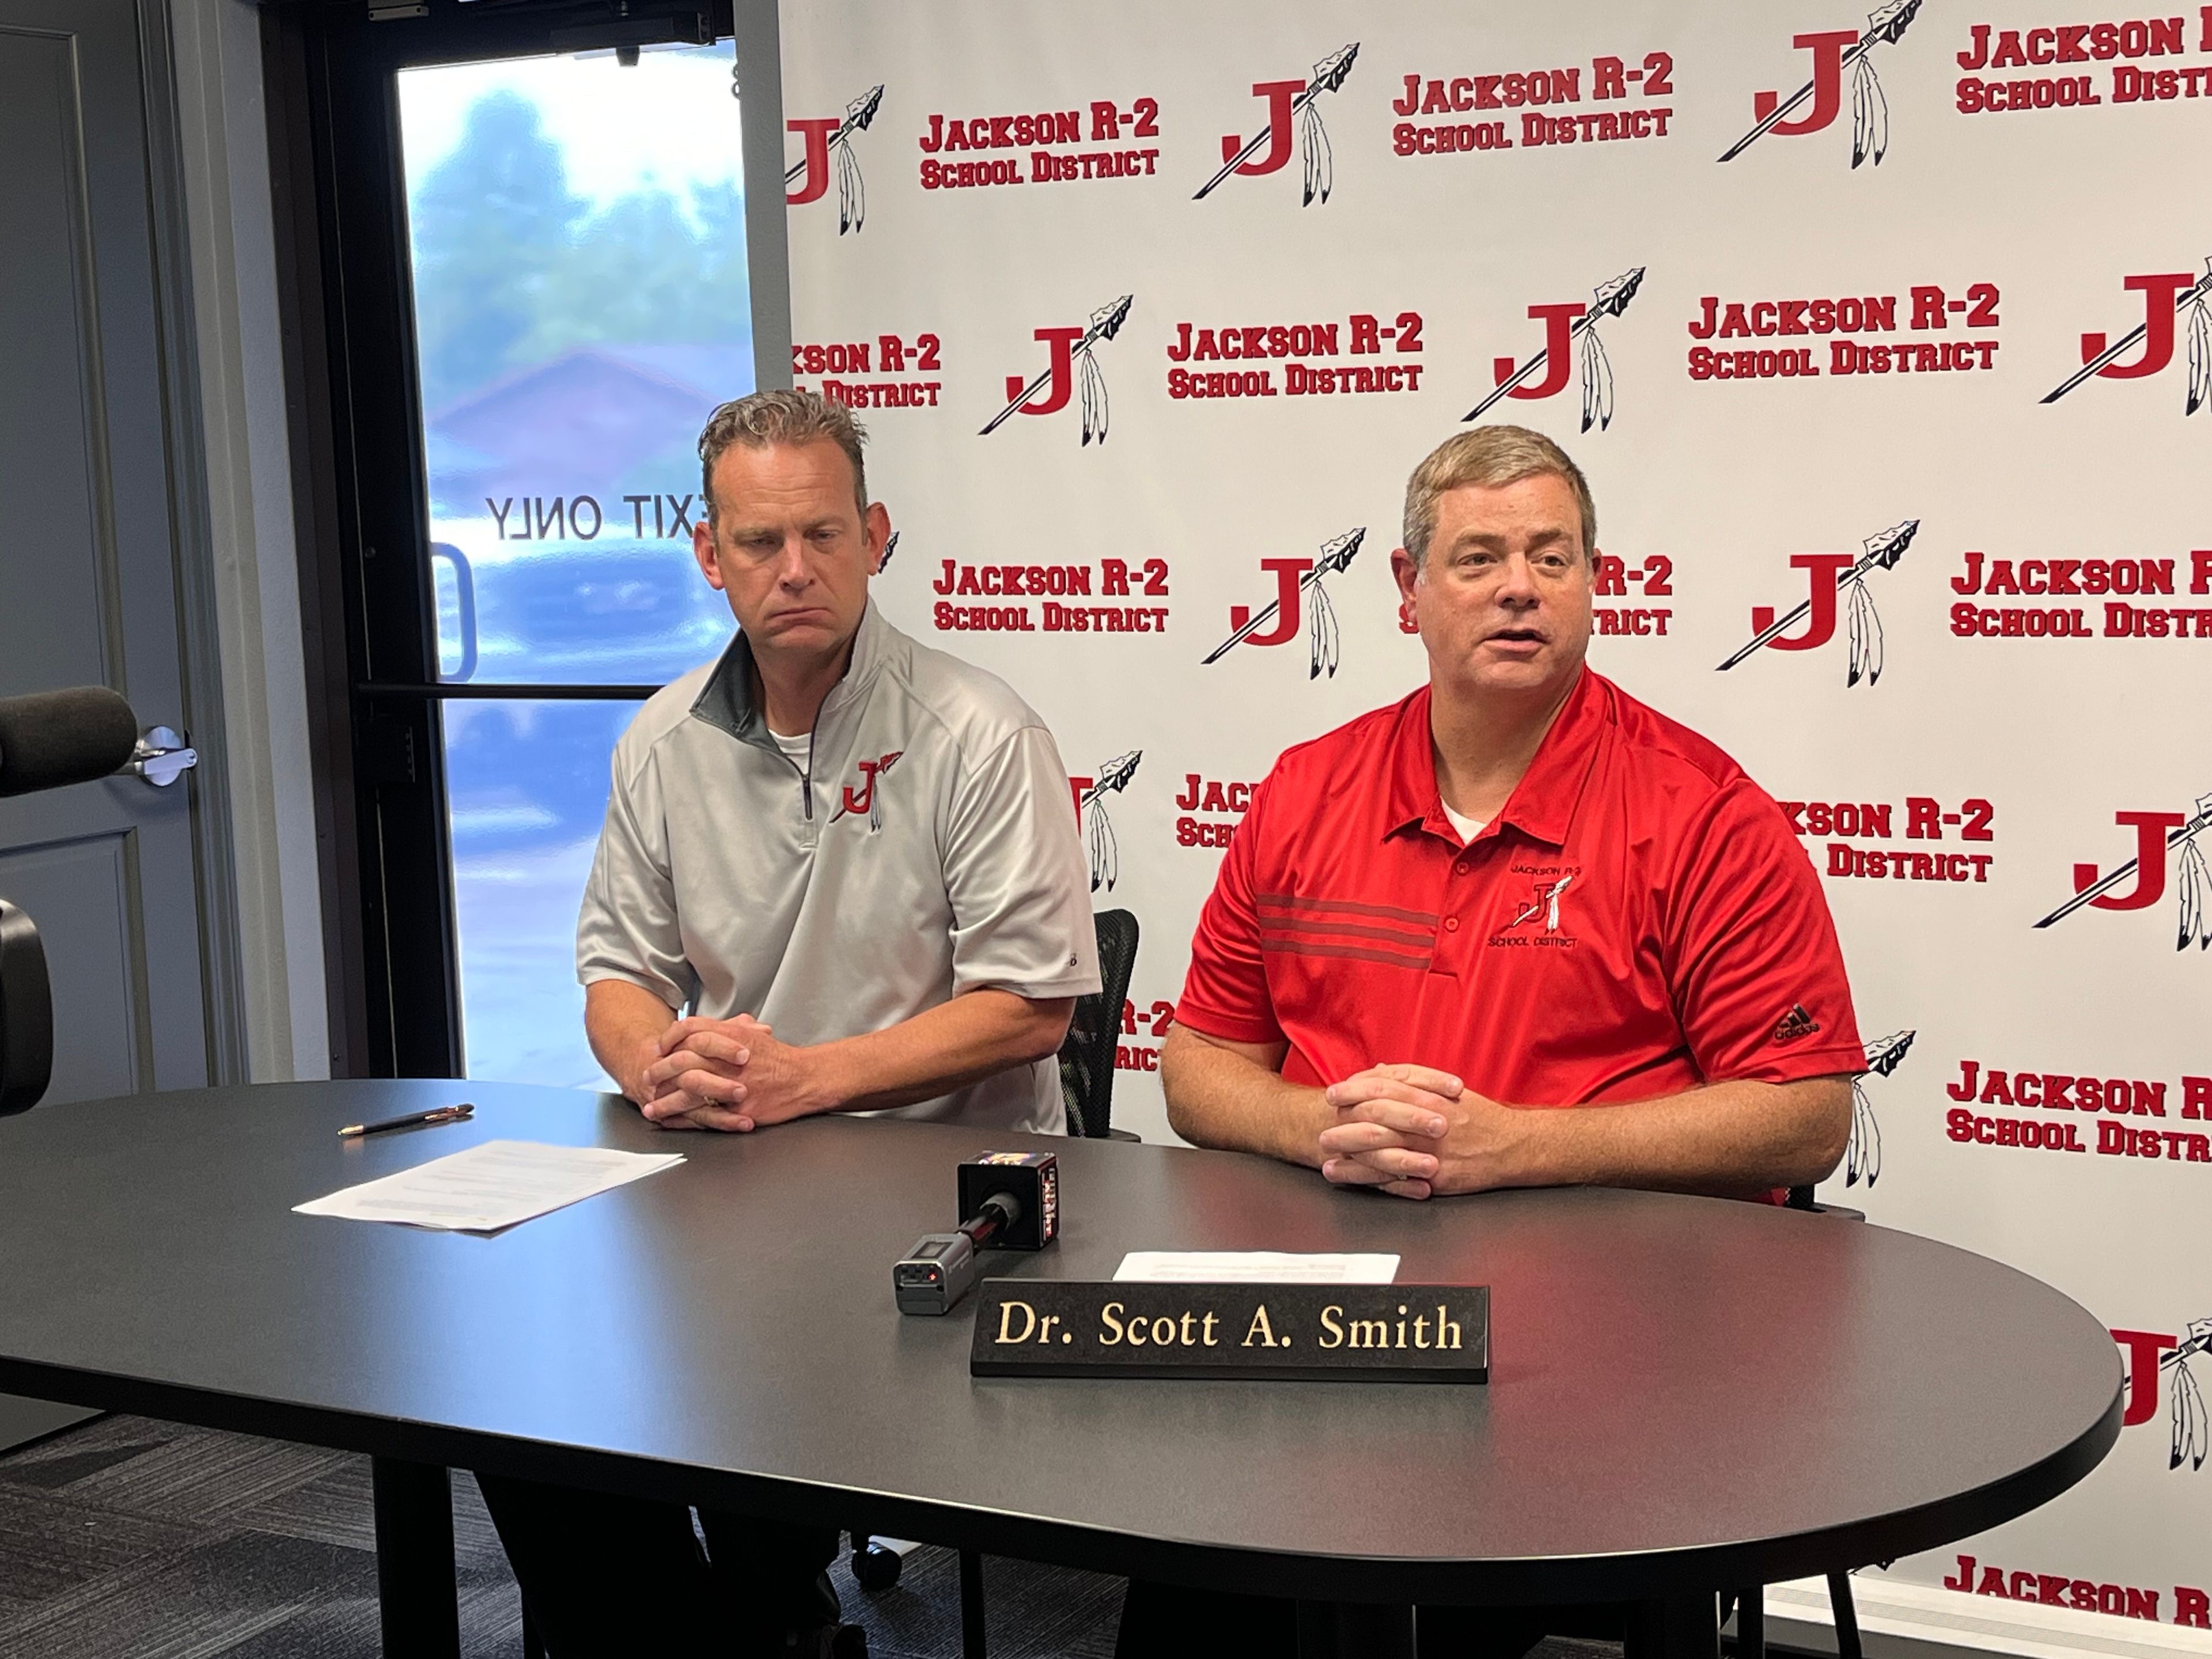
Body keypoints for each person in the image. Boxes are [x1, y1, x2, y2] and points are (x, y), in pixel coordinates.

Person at [1127, 425, 1864, 1657]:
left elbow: (1807, 1112)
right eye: (1478, 558)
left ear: (1593, 584)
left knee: (1416, 1570)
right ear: (1409, 594)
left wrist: (1515, 1147)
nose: (1520, 584)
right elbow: (1199, 1068)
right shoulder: (1307, 791)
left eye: (1551, 556)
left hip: (1609, 1341)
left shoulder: (1703, 814)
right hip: (1340, 1310)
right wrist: (1320, 1124)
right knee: (1195, 1565)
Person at [479, 388, 1101, 1659]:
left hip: (946, 1189)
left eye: (823, 534)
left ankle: (767, 1598)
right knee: (522, 1399)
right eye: (759, 543)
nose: (795, 570)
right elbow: (615, 972)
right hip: (731, 1181)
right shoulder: (658, 741)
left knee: (763, 1389)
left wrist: (806, 1079)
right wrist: (658, 1059)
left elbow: (1033, 1008)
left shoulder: (978, 733)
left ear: (877, 535)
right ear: (710, 555)